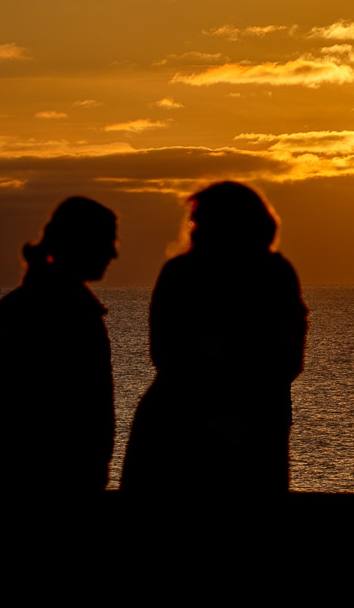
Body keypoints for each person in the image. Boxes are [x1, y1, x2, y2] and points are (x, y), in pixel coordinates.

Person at [121, 181, 308, 493]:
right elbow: (287, 358)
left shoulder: (182, 273)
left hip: (189, 426)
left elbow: (166, 353)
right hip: (240, 427)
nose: (194, 226)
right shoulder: (275, 273)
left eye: (199, 218)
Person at [0, 197, 118, 491]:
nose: (114, 253)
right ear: (80, 242)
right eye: (107, 240)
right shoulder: (59, 312)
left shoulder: (26, 305)